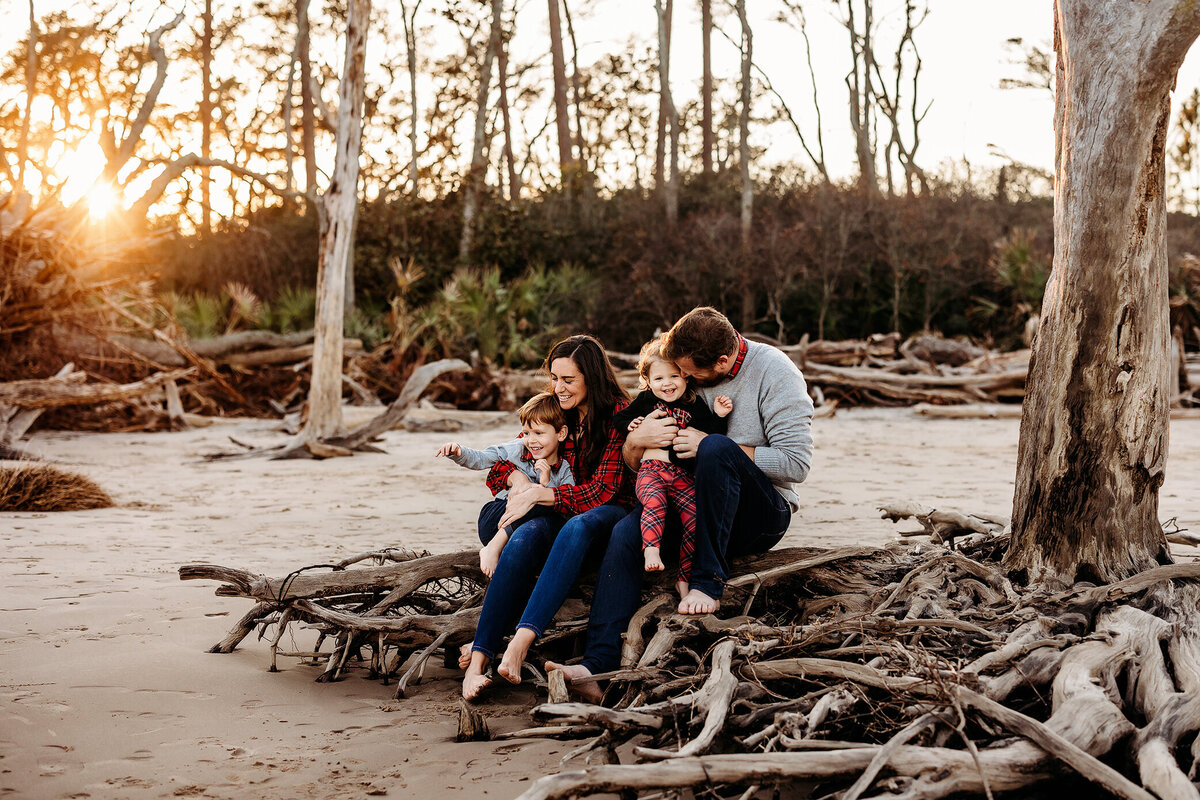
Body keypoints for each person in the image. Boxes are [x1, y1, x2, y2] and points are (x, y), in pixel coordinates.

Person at [546, 307, 813, 702]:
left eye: (689, 374)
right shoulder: (681, 369)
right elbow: (641, 464)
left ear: (721, 362)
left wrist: (710, 443)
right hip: (687, 502)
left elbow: (797, 464)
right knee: (626, 531)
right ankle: (596, 664)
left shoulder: (776, 373)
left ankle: (708, 582)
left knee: (718, 448)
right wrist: (636, 442)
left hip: (759, 513)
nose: (682, 380)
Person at [461, 335, 634, 701]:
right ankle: (478, 661)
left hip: (603, 515)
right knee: (525, 534)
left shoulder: (619, 416)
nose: (558, 388)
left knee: (572, 525)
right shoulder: (554, 410)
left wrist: (544, 493)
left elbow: (603, 492)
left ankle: (521, 642)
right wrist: (517, 478)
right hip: (552, 513)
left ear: (592, 377)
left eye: (568, 380)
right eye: (554, 378)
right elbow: (502, 465)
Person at [611, 337, 732, 593]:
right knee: (654, 503)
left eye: (674, 376)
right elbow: (621, 417)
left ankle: (684, 577)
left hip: (681, 476)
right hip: (652, 471)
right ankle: (651, 552)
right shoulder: (645, 401)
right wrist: (630, 427)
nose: (667, 384)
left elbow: (710, 436)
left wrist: (720, 416)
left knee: (694, 518)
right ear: (648, 381)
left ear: (685, 377)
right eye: (658, 379)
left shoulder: (694, 404)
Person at [435, 391, 573, 577]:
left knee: (545, 501)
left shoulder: (564, 469)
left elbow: (569, 505)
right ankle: (493, 547)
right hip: (497, 518)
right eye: (526, 433)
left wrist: (545, 484)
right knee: (535, 498)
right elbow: (482, 458)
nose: (531, 440)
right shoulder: (517, 448)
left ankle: (502, 552)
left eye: (539, 433)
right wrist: (458, 452)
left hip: (529, 533)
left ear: (561, 433)